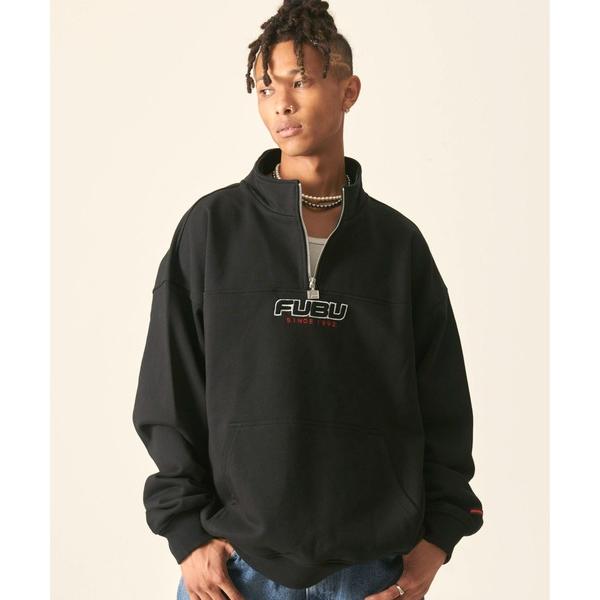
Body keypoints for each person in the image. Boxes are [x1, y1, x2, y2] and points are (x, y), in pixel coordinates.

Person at [132, 1, 484, 599]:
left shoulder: (397, 246)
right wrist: (187, 534)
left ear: (349, 91)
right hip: (237, 570)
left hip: (371, 572)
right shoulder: (212, 230)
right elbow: (169, 391)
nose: (282, 103)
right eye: (266, 87)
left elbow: (444, 402)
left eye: (301, 81)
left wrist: (436, 543)